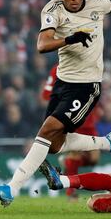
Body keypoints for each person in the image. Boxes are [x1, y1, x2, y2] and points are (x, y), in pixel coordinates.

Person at [0, 0, 111, 206]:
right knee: (56, 145)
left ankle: (11, 188)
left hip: (87, 85)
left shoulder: (97, 2)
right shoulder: (52, 10)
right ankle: (107, 143)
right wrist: (70, 39)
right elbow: (42, 44)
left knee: (47, 130)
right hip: (62, 82)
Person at [43, 64, 101, 200]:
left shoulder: (90, 64)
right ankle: (71, 193)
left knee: (94, 159)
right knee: (75, 153)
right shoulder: (58, 69)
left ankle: (67, 162)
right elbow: (46, 94)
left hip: (88, 118)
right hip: (72, 115)